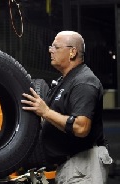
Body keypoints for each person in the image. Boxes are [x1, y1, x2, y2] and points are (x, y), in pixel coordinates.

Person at [21, 31, 113, 184]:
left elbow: (81, 127)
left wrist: (46, 112)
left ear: (72, 52)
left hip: (84, 167)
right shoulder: (65, 81)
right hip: (70, 167)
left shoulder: (84, 82)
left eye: (55, 47)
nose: (51, 50)